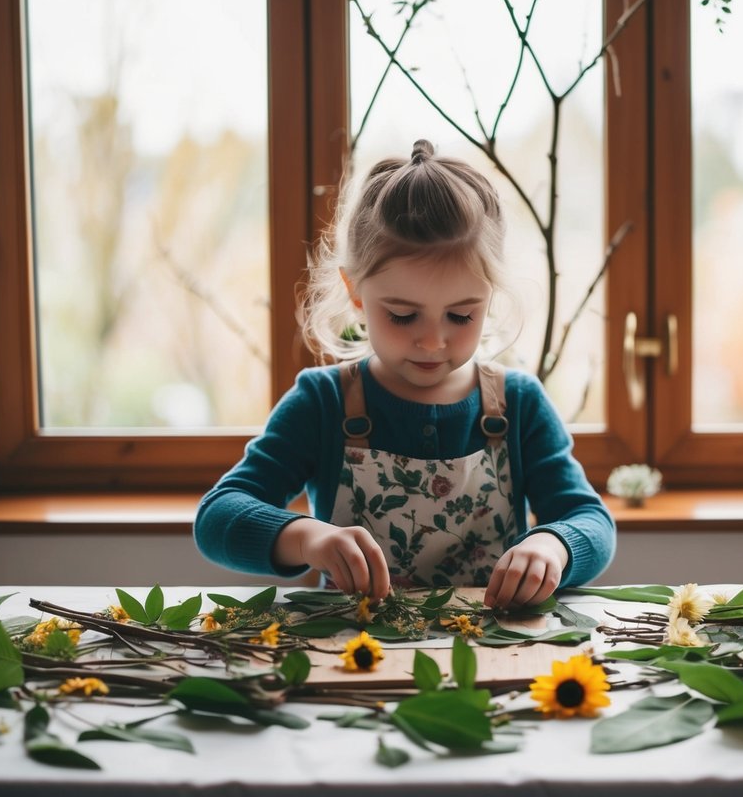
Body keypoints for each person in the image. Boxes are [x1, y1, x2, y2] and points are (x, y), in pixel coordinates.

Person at [194, 139, 615, 610]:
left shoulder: (518, 403)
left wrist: (553, 546)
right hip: (354, 657)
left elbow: (589, 520)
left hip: (493, 658)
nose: (433, 341)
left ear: (489, 296)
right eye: (401, 315)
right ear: (356, 293)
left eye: (460, 316)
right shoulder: (322, 402)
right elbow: (217, 518)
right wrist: (305, 538)